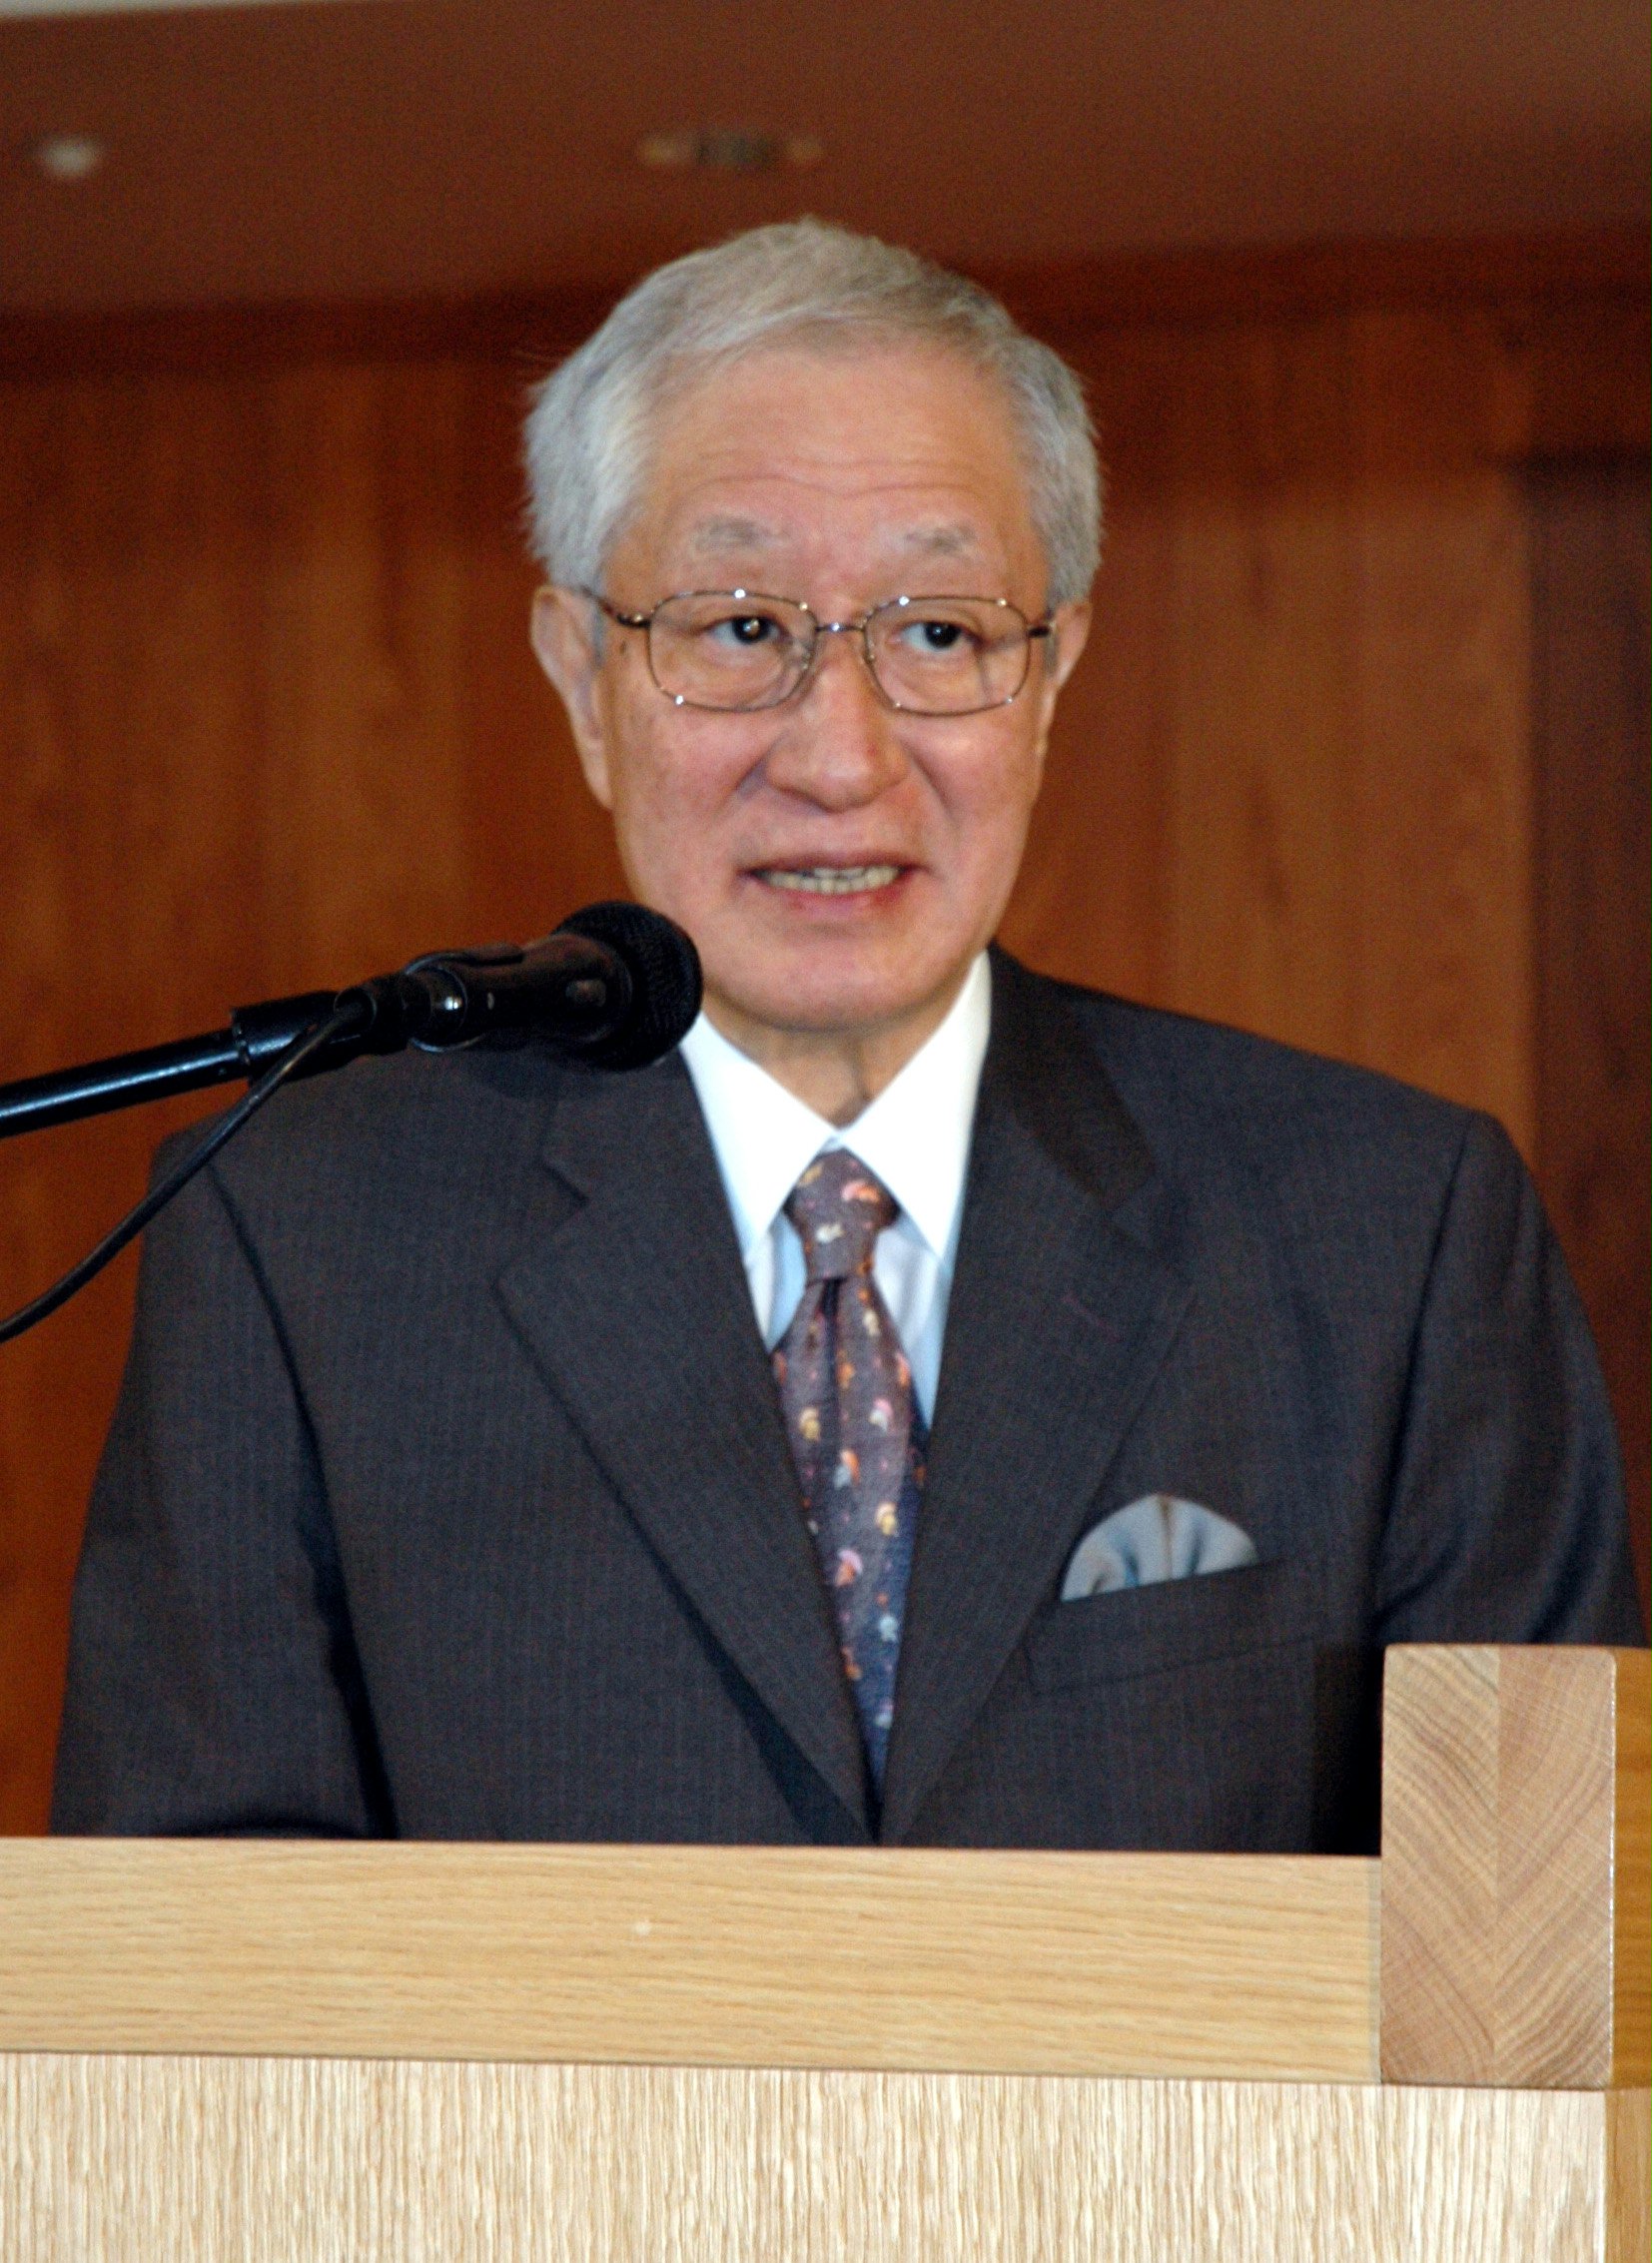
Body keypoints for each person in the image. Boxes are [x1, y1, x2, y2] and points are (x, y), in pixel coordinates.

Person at [51, 221, 1642, 1851]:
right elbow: (189, 1975)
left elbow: (1531, 1958)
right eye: (739, 629)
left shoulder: (1391, 1231)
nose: (837, 753)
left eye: (937, 633)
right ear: (580, 676)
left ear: (1052, 678)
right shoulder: (300, 1240)